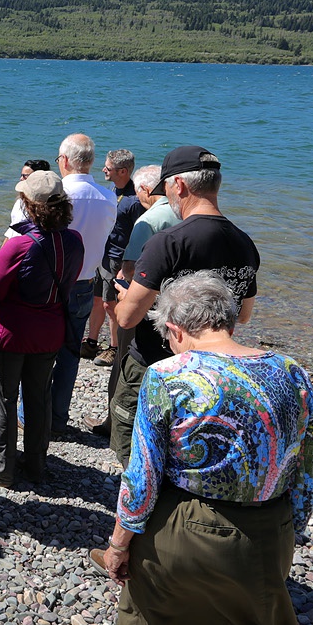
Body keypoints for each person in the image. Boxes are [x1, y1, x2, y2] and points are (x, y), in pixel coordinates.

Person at [95, 273, 313, 625]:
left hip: (184, 527)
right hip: (266, 531)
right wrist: (288, 530)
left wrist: (119, 544)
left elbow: (143, 476)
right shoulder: (290, 371)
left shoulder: (168, 375)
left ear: (175, 330)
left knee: (140, 622)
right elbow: (309, 466)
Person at [111, 146, 259, 466]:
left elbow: (126, 318)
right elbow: (243, 315)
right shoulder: (244, 243)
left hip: (156, 363)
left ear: (179, 186)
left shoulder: (168, 242)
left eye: (166, 187)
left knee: (134, 441)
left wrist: (125, 297)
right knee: (194, 449)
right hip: (215, 370)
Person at [0, 171, 84, 490]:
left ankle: (1, 468)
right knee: (38, 398)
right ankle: (36, 464)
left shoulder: (20, 245)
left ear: (30, 206)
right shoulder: (74, 241)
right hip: (49, 333)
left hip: (11, 334)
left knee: (4, 399)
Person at [84, 163, 172, 438]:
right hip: (171, 307)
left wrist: (123, 283)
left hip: (141, 304)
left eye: (138, 192)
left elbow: (131, 267)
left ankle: (114, 424)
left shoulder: (149, 220)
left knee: (125, 361)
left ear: (145, 189)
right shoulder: (183, 212)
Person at [47, 133, 116, 435]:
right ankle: (58, 418)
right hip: (86, 282)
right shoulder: (109, 197)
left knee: (38, 351)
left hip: (50, 282)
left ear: (63, 161)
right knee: (69, 354)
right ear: (90, 162)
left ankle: (29, 415)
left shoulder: (55, 195)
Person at [85, 148, 143, 366]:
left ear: (123, 171)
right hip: (104, 253)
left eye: (108, 168)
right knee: (97, 300)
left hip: (119, 258)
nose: (103, 170)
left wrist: (127, 267)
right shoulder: (113, 188)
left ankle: (114, 348)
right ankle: (91, 343)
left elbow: (139, 236)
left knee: (112, 305)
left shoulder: (135, 200)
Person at [5, 158, 53, 237]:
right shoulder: (20, 201)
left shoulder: (45, 207)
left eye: (25, 176)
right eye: (21, 175)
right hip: (15, 244)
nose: (21, 179)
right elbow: (12, 230)